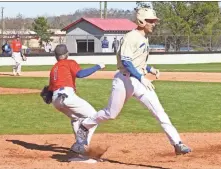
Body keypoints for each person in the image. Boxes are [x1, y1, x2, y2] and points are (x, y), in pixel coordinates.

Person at [71, 8, 191, 156]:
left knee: (160, 112)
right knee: (111, 113)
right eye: (151, 21)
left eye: (154, 21)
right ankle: (85, 124)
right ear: (141, 22)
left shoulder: (144, 37)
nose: (154, 24)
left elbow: (136, 62)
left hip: (139, 82)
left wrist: (149, 69)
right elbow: (126, 62)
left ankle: (177, 143)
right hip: (124, 80)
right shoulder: (130, 37)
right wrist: (141, 77)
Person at [47, 44, 105, 151]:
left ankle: (78, 144)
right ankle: (81, 145)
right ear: (67, 54)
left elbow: (49, 92)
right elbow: (80, 74)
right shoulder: (69, 62)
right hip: (67, 95)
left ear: (55, 55)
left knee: (75, 118)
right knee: (94, 116)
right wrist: (97, 66)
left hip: (56, 99)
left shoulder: (54, 68)